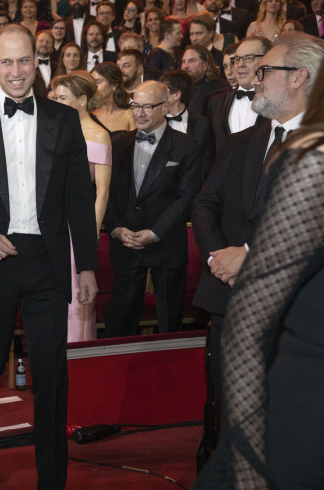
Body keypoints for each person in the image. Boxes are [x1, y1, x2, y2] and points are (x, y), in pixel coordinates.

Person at [0, 24, 98, 487]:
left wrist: (87, 263)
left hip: (46, 260)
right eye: (6, 62)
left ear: (38, 62)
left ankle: (52, 473)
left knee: (51, 370)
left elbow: (79, 196)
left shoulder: (63, 119)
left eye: (24, 61)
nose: (15, 72)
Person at [194, 42, 324, 490]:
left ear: (299, 77)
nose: (252, 75)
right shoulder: (240, 141)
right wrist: (219, 258)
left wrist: (248, 255)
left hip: (300, 326)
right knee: (237, 427)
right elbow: (206, 203)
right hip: (229, 301)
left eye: (265, 68)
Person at [104, 80, 202, 337]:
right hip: (125, 244)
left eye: (147, 106)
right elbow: (107, 194)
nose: (139, 112)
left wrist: (154, 232)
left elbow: (185, 198)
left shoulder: (188, 146)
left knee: (170, 323)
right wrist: (115, 229)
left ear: (165, 106)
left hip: (166, 244)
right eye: (136, 106)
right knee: (120, 322)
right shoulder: (117, 144)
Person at [52, 72, 111, 342]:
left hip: (78, 228)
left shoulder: (98, 135)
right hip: (51, 225)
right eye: (55, 97)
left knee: (77, 296)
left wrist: (90, 235)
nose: (56, 102)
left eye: (63, 98)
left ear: (83, 100)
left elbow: (101, 193)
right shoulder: (52, 130)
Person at [206, 36, 271, 158]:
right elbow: (210, 152)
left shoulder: (277, 100)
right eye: (237, 59)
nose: (240, 64)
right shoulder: (215, 102)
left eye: (248, 58)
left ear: (267, 60)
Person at [181, 44, 230, 115]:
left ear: (205, 65)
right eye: (183, 61)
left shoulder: (220, 88)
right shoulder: (179, 89)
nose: (185, 66)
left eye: (191, 61)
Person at [91, 61, 135, 135]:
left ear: (114, 85)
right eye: (92, 82)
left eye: (98, 82)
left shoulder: (130, 115)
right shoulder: (88, 115)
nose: (93, 87)